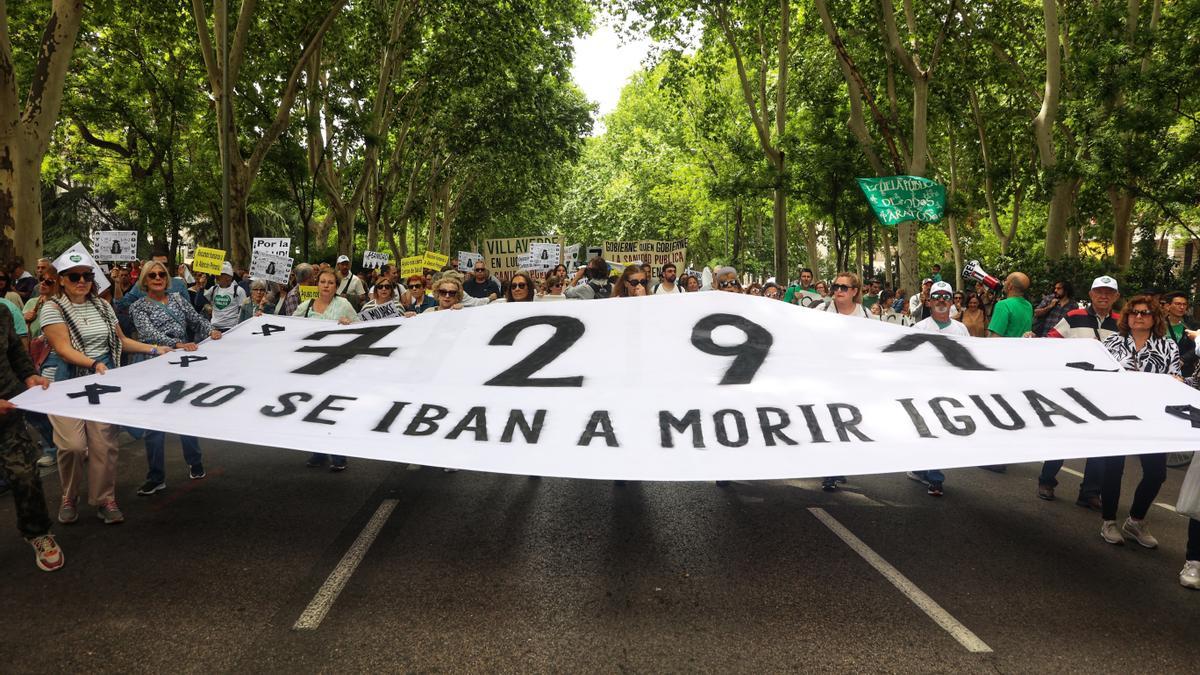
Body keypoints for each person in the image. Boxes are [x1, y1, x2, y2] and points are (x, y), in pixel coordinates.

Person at [42, 247, 168, 525]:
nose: (81, 281)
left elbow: (122, 341)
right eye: (73, 276)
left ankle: (104, 498)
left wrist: (156, 349)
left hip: (104, 381)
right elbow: (62, 349)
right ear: (62, 279)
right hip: (67, 383)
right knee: (73, 446)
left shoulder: (102, 305)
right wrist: (93, 364)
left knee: (104, 444)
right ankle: (69, 495)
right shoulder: (52, 308)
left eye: (86, 275)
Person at [130, 260, 223, 495]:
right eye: (153, 275)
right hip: (154, 365)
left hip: (183, 363)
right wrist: (177, 344)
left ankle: (195, 461)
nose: (158, 278)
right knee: (154, 421)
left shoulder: (179, 300)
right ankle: (156, 476)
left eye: (162, 274)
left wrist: (209, 331)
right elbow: (148, 333)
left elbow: (196, 319)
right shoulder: (138, 306)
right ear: (145, 280)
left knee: (185, 413)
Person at [1097, 295, 1177, 548]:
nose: (1139, 317)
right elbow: (1096, 375)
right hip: (1117, 415)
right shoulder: (1111, 343)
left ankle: (1136, 520)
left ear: (1155, 318)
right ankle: (1108, 521)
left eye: (1145, 313)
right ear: (1127, 316)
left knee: (1156, 473)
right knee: (1113, 469)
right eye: (1134, 312)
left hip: (1153, 418)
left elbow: (1175, 377)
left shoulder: (1167, 346)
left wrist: (1177, 381)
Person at [1039, 275, 1122, 507]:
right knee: (1063, 436)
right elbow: (1051, 341)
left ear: (1116, 296)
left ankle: (1090, 492)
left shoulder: (1123, 321)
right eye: (1099, 292)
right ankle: (1046, 480)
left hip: (1107, 392)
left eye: (1109, 292)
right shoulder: (1074, 317)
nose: (1103, 296)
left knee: (1099, 442)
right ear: (1091, 294)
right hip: (1073, 389)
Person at [0, 309, 62, 571]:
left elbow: (14, 350)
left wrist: (28, 375)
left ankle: (37, 532)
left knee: (25, 474)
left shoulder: (1, 312)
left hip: (8, 412)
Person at [906, 282, 968, 497]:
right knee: (926, 431)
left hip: (950, 392)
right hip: (924, 391)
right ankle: (926, 472)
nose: (941, 300)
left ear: (951, 301)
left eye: (946, 296)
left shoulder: (961, 329)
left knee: (940, 434)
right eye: (937, 296)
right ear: (930, 301)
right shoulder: (919, 328)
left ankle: (933, 476)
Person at [297, 269, 359, 471]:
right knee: (313, 410)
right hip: (311, 368)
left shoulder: (344, 305)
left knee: (332, 412)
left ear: (336, 286)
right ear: (317, 284)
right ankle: (318, 452)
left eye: (330, 282)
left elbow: (362, 329)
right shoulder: (305, 307)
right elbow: (289, 327)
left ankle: (339, 455)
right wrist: (262, 317)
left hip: (336, 368)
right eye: (322, 281)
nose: (326, 285)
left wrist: (349, 325)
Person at [820, 271, 872, 491]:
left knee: (847, 426)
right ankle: (829, 471)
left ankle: (839, 465)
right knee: (829, 424)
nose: (838, 291)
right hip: (826, 378)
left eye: (843, 287)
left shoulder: (867, 316)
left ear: (854, 292)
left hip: (854, 380)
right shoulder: (820, 312)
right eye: (836, 286)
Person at [205, 262, 247, 333]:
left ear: (229, 277)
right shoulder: (213, 289)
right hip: (214, 328)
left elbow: (244, 310)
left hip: (231, 328)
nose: (216, 277)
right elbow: (199, 302)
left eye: (220, 275)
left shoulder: (239, 290)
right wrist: (201, 288)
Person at [986, 272, 1032, 338]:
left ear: (1010, 286)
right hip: (1021, 347)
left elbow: (995, 337)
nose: (1004, 282)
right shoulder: (1029, 305)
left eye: (1006, 280)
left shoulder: (1003, 305)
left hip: (1005, 347)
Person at [1163, 291, 1196, 377]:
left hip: (1184, 372)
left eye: (1184, 304)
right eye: (1177, 304)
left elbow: (1197, 347)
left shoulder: (1192, 326)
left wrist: (1183, 359)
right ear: (1168, 306)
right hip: (1161, 369)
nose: (1181, 307)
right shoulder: (1157, 325)